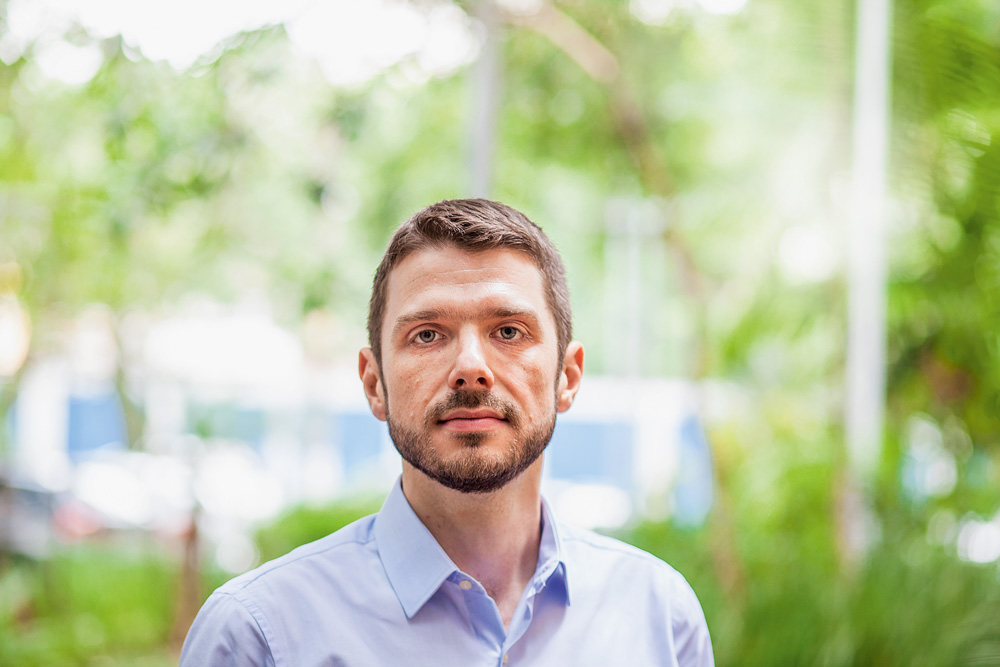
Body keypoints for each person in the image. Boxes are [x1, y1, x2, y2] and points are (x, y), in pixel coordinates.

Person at [180, 199, 714, 666]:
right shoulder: (260, 635)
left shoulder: (660, 616)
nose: (470, 367)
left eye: (508, 331)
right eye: (428, 334)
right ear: (374, 383)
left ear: (567, 377)